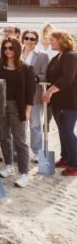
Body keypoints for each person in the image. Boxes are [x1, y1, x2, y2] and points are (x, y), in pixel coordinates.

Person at [0, 37, 35, 187]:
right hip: (0, 106)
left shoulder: (27, 68)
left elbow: (30, 92)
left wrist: (27, 111)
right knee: (4, 137)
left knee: (20, 141)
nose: (8, 51)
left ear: (17, 49)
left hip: (18, 107)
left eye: (11, 48)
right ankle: (9, 165)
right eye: (5, 48)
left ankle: (24, 173)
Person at [42, 31, 77, 176]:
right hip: (57, 102)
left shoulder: (71, 56)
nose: (50, 42)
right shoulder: (56, 57)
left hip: (70, 101)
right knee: (62, 131)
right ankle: (65, 158)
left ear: (62, 40)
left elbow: (68, 78)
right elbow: (51, 76)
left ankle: (75, 164)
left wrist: (49, 91)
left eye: (53, 40)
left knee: (67, 131)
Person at [20, 29, 51, 161]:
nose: (29, 41)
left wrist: (34, 78)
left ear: (36, 41)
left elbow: (46, 74)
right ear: (23, 39)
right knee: (18, 125)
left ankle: (38, 152)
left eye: (32, 39)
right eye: (27, 38)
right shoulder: (17, 52)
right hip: (18, 95)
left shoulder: (42, 55)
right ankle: (19, 151)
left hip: (34, 96)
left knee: (35, 124)